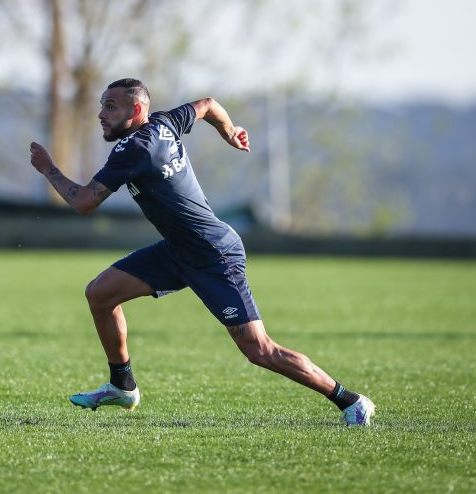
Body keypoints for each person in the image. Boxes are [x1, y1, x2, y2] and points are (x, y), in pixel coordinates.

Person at [29, 78, 375, 426]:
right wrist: (229, 130)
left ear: (136, 110)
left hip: (213, 255)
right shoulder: (165, 122)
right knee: (100, 294)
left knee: (260, 350)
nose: (101, 115)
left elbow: (86, 201)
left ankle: (351, 401)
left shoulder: (135, 149)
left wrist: (49, 169)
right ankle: (123, 385)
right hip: (178, 250)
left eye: (110, 107)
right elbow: (208, 104)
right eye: (102, 105)